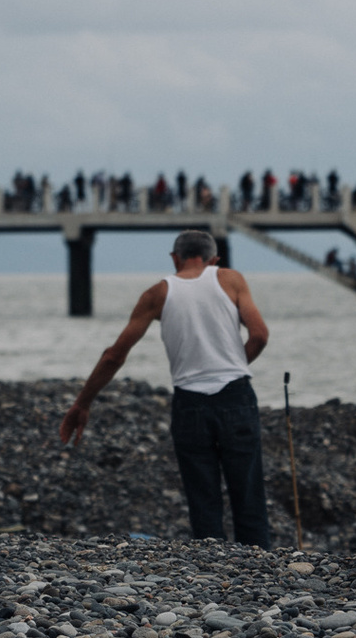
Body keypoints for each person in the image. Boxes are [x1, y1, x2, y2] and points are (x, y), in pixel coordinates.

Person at [59, 229, 274, 546]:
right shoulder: (231, 280)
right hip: (236, 395)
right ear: (214, 259)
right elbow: (259, 335)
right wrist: (232, 365)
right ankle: (262, 569)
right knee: (249, 493)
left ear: (175, 258)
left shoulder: (157, 294)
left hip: (190, 403)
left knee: (203, 498)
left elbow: (114, 355)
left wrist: (82, 403)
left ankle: (214, 571)